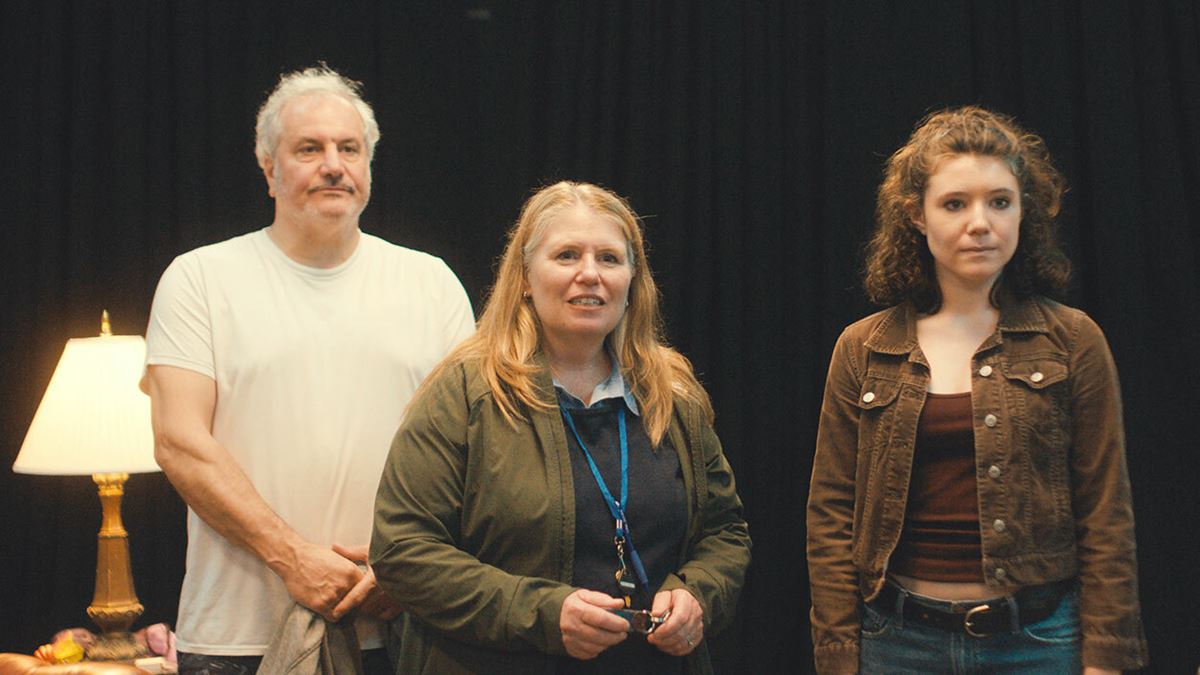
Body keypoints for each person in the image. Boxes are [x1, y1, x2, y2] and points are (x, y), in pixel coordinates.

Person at [142, 65, 475, 674]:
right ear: (268, 167)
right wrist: (291, 556)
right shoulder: (200, 279)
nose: (333, 165)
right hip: (237, 639)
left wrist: (405, 567)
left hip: (403, 625)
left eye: (349, 149)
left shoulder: (431, 284)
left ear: (369, 165)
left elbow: (473, 450)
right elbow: (179, 443)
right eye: (309, 149)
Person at [806, 106, 1148, 673]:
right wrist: (839, 656)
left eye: (1000, 202)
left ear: (1023, 211)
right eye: (955, 204)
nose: (981, 223)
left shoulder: (1072, 340)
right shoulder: (864, 347)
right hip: (897, 644)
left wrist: (1106, 658)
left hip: (1038, 643)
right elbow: (831, 514)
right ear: (916, 215)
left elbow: (1105, 510)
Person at [370, 181, 751, 673]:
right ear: (525, 278)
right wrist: (543, 615)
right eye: (567, 255)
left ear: (632, 280)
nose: (589, 274)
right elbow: (402, 550)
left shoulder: (671, 393)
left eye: (609, 259)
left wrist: (697, 594)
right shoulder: (465, 392)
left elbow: (725, 533)